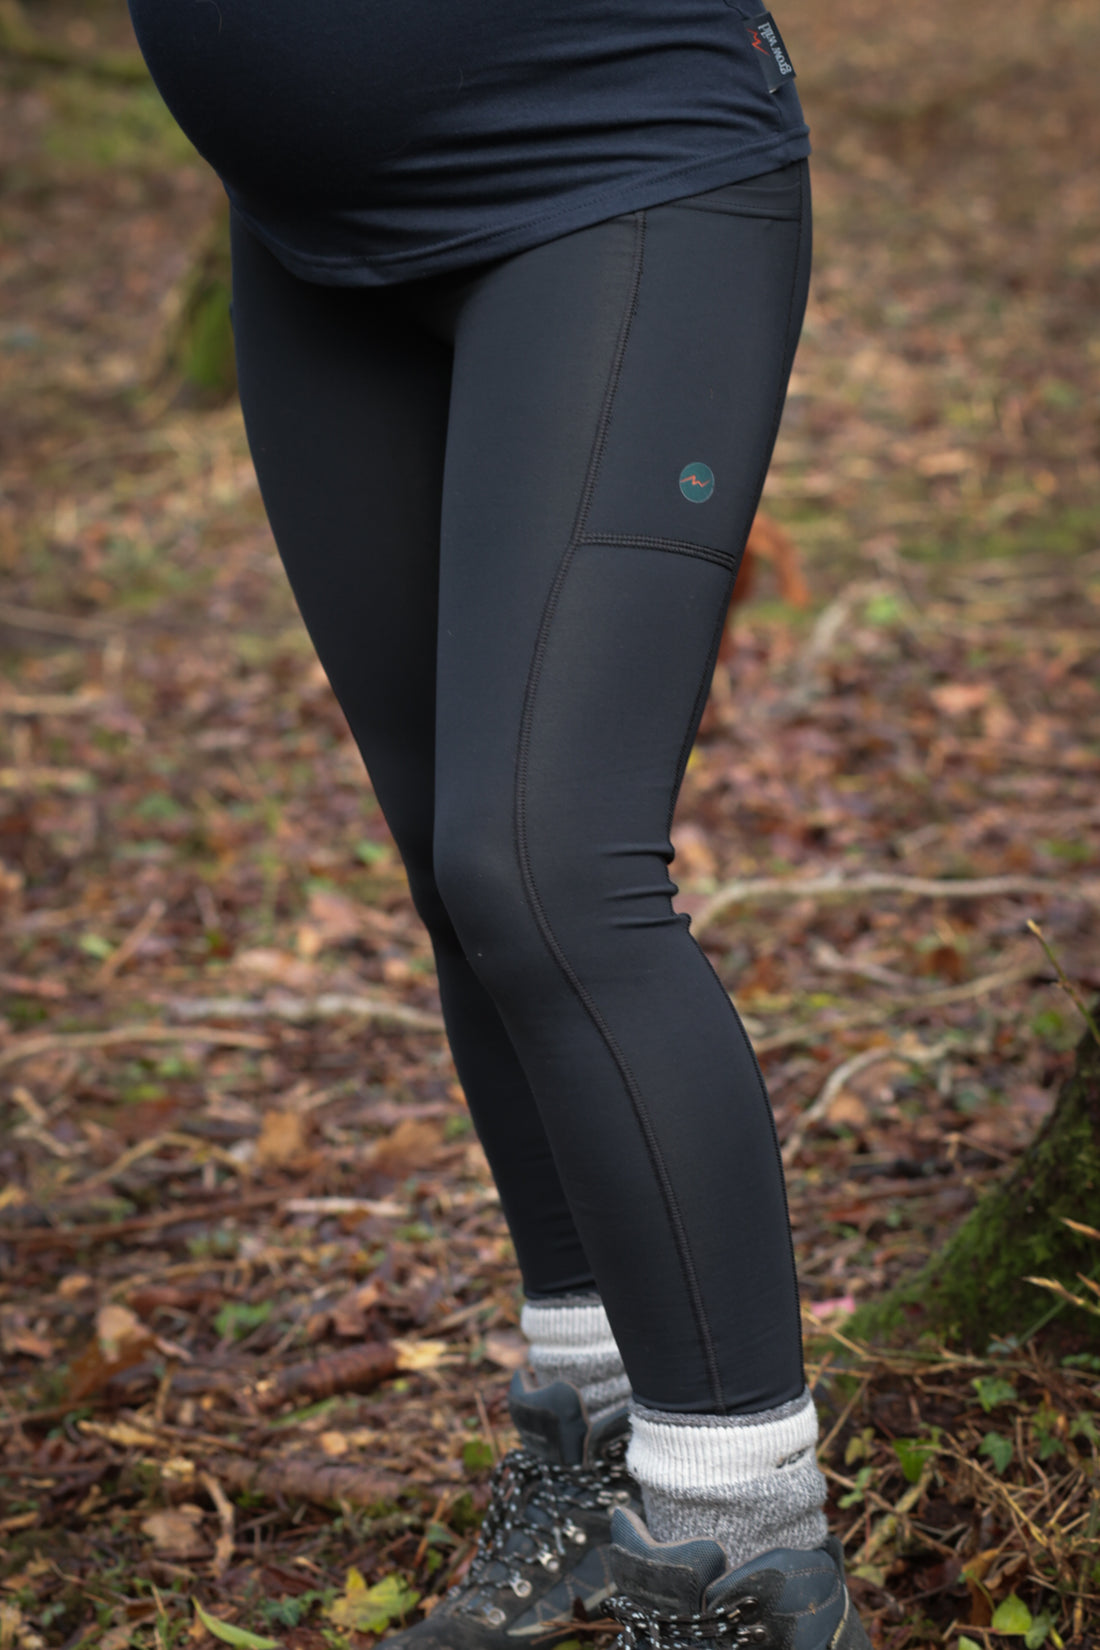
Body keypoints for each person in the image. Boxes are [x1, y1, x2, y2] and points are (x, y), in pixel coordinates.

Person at [126, 4, 870, 1646]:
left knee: (545, 867)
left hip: (613, 164)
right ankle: (595, 1434)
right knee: (455, 866)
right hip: (311, 244)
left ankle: (744, 1548)